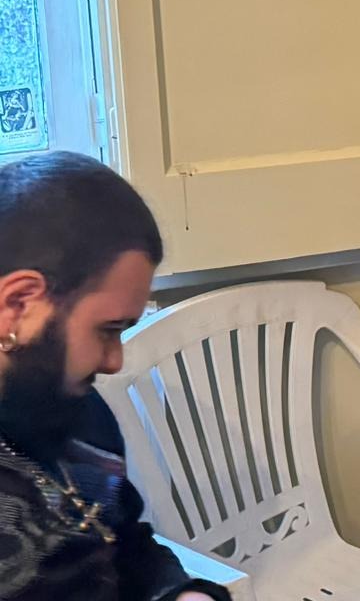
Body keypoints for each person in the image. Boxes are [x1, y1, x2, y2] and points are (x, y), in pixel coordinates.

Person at [0, 151, 228, 601]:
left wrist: (181, 593)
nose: (114, 361)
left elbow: (123, 544)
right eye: (108, 329)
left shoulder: (79, 410)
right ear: (19, 303)